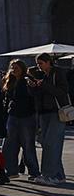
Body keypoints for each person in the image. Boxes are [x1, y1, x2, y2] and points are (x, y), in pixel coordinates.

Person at [30, 53, 69, 185]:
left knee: (51, 144)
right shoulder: (43, 75)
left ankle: (49, 175)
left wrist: (44, 85)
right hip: (44, 113)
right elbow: (40, 95)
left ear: (48, 62)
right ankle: (59, 175)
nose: (38, 66)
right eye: (37, 63)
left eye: (40, 63)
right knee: (48, 143)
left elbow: (62, 92)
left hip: (57, 112)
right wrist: (34, 87)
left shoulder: (57, 73)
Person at [1, 59, 39, 181]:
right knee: (9, 145)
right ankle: (11, 170)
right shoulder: (10, 81)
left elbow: (34, 96)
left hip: (27, 116)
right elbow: (7, 99)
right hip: (12, 115)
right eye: (12, 67)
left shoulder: (27, 80)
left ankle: (34, 172)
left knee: (28, 145)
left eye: (16, 67)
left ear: (22, 68)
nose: (14, 69)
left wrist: (32, 87)